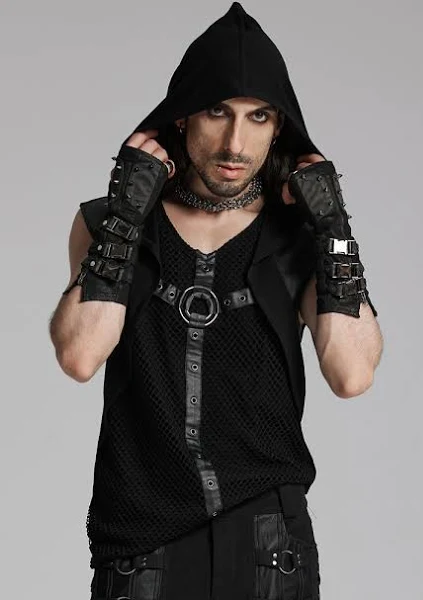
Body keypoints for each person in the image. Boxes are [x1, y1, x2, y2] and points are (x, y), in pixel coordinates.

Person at [49, 3, 383, 599]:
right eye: (217, 112)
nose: (235, 142)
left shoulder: (298, 237)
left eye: (258, 117)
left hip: (266, 543)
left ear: (278, 128)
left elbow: (352, 374)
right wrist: (126, 220)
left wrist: (334, 232)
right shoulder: (109, 223)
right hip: (141, 542)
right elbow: (79, 356)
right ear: (182, 117)